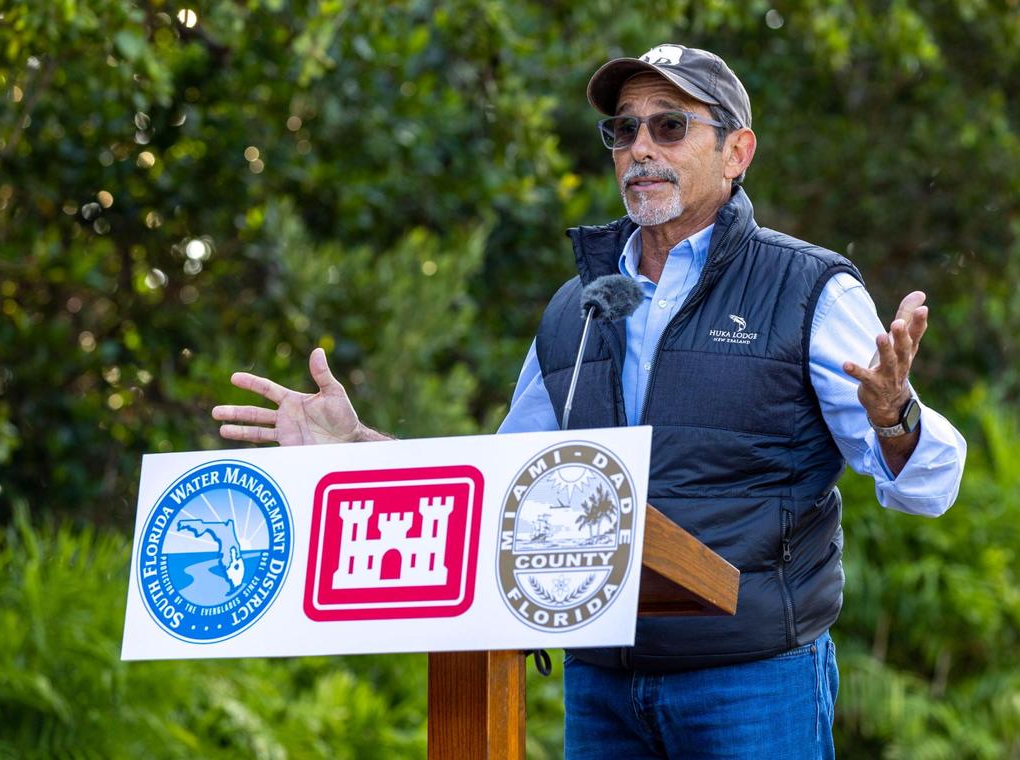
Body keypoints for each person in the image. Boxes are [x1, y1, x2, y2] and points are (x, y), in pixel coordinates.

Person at [214, 43, 966, 759]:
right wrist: (357, 449)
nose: (640, 148)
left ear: (737, 152)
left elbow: (929, 485)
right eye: (623, 129)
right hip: (603, 686)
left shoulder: (806, 288)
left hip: (751, 681)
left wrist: (893, 415)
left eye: (669, 126)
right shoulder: (578, 308)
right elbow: (496, 488)